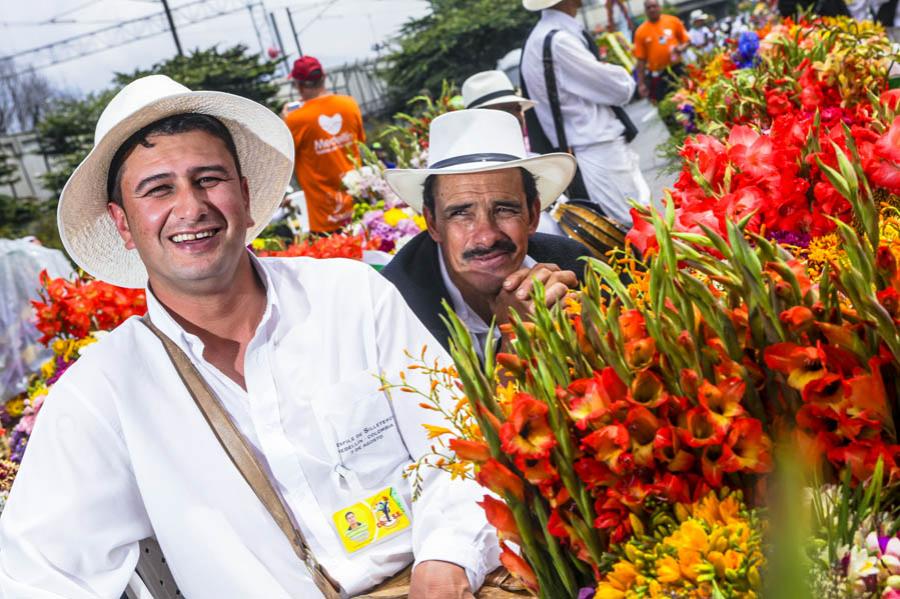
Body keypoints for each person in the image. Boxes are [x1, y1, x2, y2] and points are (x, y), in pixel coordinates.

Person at [0, 75, 499, 599]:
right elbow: (39, 577)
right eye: (158, 189)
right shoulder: (103, 393)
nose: (191, 208)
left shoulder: (350, 298)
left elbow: (460, 446)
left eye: (208, 179)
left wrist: (447, 560)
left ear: (244, 194)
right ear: (123, 224)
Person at [382, 109, 591, 359]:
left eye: (504, 209)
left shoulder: (575, 264)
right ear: (434, 224)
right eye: (461, 213)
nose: (487, 236)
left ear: (533, 215)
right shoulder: (398, 310)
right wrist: (515, 336)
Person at [520, 0, 649, 226]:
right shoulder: (558, 41)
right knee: (633, 227)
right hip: (595, 147)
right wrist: (618, 73)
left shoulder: (547, 37)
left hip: (595, 146)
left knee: (635, 224)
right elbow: (618, 88)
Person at [461, 69, 564, 235]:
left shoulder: (535, 160)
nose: (516, 117)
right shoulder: (473, 174)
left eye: (516, 109)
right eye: (504, 111)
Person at [282, 56, 365, 234]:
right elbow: (361, 145)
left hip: (325, 218)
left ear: (298, 85)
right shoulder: (349, 104)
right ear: (324, 77)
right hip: (361, 206)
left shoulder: (295, 119)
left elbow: (284, 157)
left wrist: (284, 121)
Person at [633, 0, 690, 103]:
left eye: (654, 6)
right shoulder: (640, 32)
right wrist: (641, 84)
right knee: (666, 105)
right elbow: (640, 60)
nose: (652, 9)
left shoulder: (673, 21)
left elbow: (686, 41)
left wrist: (680, 48)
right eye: (648, 7)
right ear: (645, 11)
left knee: (689, 98)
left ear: (659, 7)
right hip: (658, 75)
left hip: (678, 68)